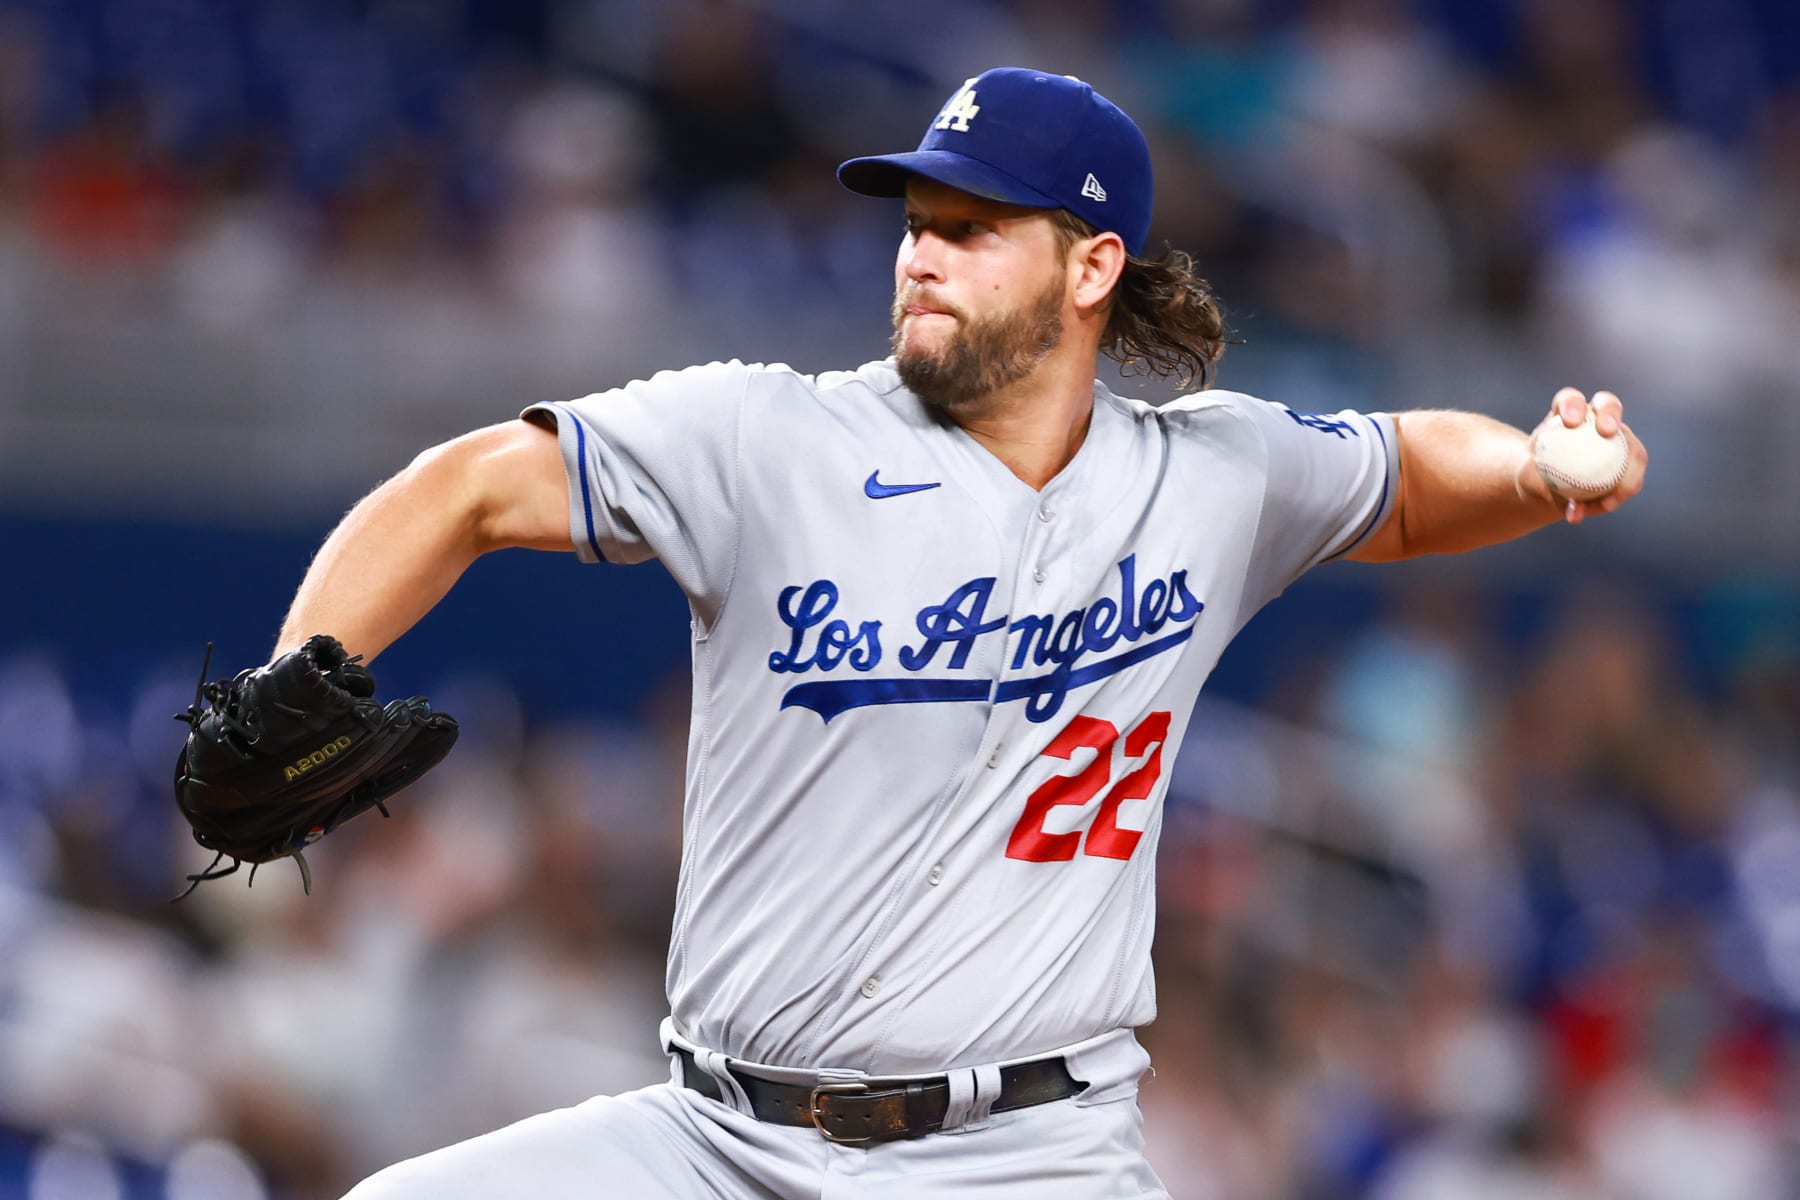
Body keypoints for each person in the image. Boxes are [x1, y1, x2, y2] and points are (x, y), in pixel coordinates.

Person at [287, 68, 1645, 1198]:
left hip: (1028, 1156)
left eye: (976, 225)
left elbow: (1408, 472)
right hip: (713, 1143)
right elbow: (463, 488)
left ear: (1091, 264)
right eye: (917, 218)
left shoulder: (1208, 478)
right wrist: (304, 675)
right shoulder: (771, 435)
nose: (923, 252)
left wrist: (1533, 468)